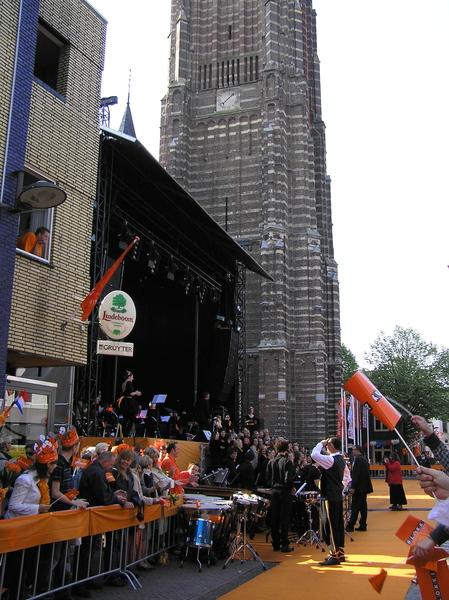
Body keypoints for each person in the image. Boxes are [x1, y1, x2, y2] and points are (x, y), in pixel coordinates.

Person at [4, 436, 59, 600]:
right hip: (15, 531)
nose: (56, 467)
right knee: (12, 569)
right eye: (54, 463)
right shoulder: (25, 479)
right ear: (48, 465)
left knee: (24, 567)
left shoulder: (40, 479)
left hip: (29, 531)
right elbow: (13, 505)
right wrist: (38, 508)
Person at [311, 437, 351, 565]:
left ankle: (334, 554)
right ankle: (340, 551)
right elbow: (347, 477)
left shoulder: (331, 460)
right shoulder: (341, 460)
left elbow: (314, 455)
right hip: (337, 494)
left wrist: (320, 444)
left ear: (332, 446)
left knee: (330, 524)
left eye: (329, 445)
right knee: (338, 523)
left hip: (329, 495)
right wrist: (341, 488)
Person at [266, 439, 295, 553]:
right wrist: (291, 486)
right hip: (284, 491)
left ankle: (276, 543)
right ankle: (284, 544)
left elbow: (267, 478)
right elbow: (288, 479)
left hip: (274, 491)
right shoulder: (287, 462)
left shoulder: (271, 462)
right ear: (286, 449)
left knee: (275, 517)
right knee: (284, 518)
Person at [346, 445, 373, 531]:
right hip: (364, 486)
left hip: (359, 487)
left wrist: (353, 487)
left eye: (354, 450)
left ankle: (351, 525)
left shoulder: (358, 460)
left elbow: (356, 474)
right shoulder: (364, 459)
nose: (353, 451)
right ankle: (363, 524)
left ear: (358, 451)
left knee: (356, 506)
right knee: (363, 506)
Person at [117, 371, 142, 436]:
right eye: (132, 377)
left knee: (125, 419)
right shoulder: (129, 382)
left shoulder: (123, 383)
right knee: (132, 418)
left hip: (124, 402)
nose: (132, 378)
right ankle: (127, 433)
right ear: (129, 377)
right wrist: (136, 393)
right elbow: (131, 393)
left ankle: (124, 433)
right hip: (128, 402)